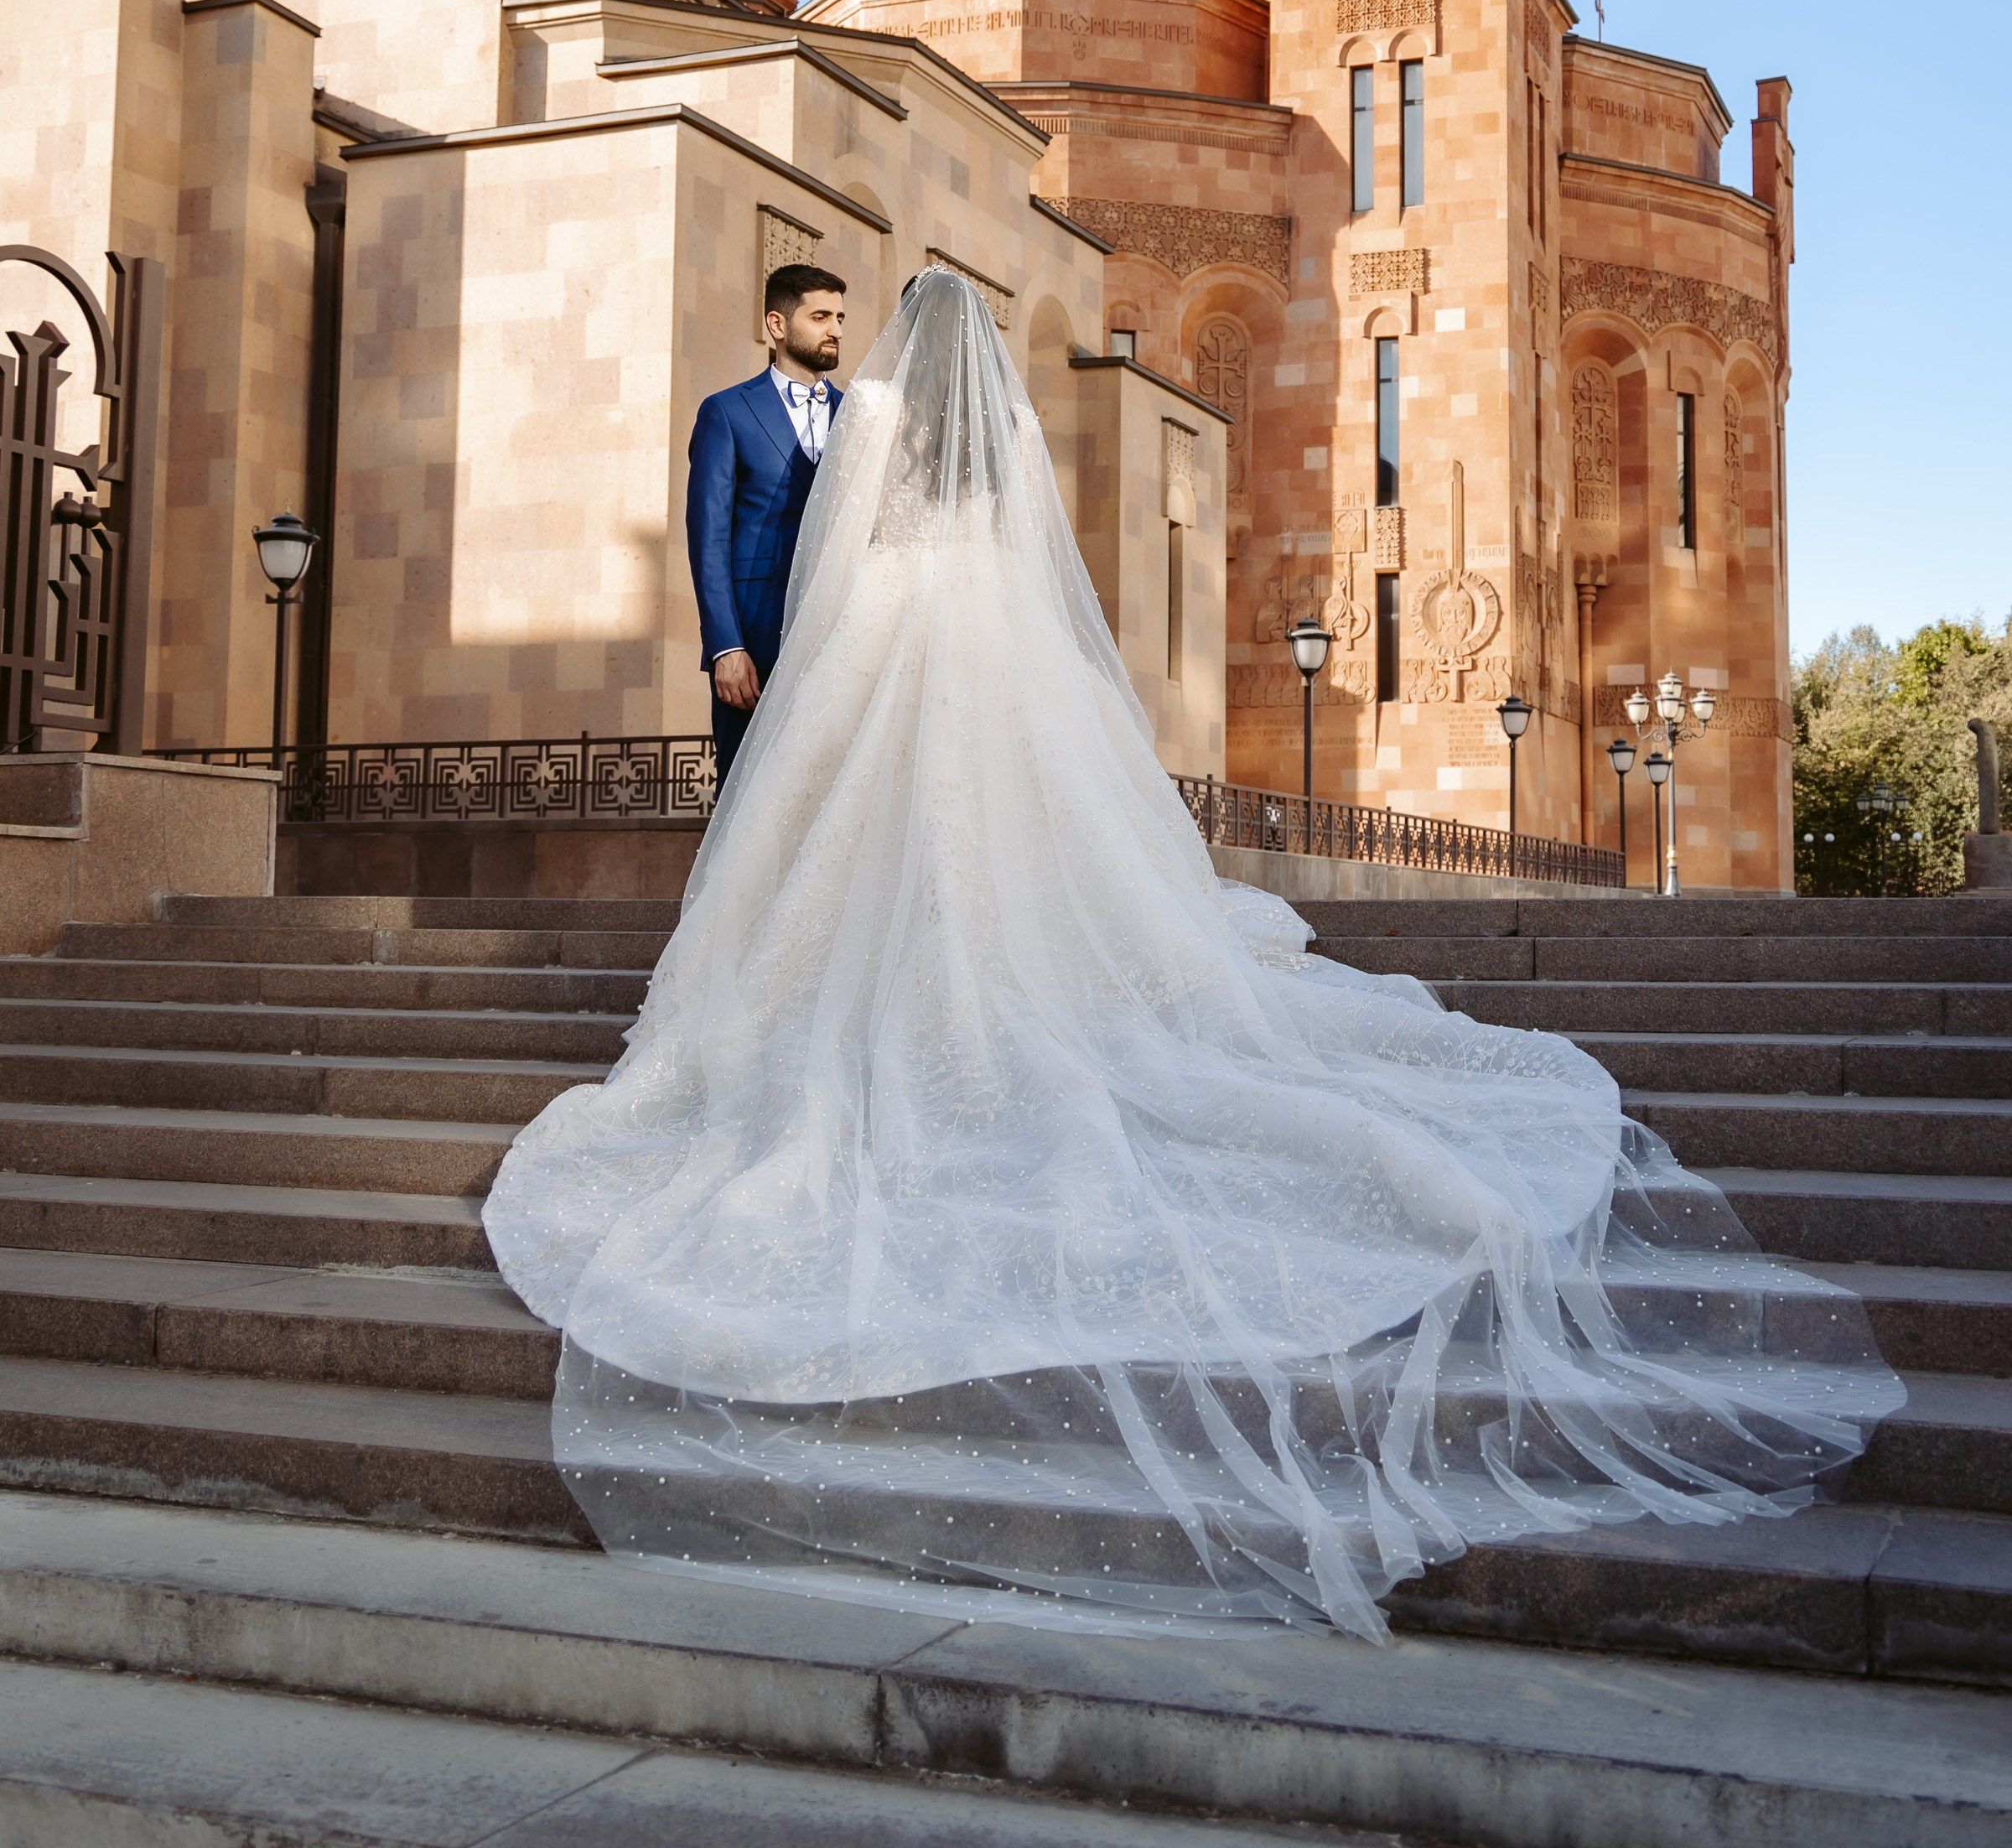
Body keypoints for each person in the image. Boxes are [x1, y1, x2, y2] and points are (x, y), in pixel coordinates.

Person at [485, 267, 1899, 1641]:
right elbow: (1030, 565)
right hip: (991, 648)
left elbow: (837, 560)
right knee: (1011, 836)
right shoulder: (1004, 425)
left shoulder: (872, 416)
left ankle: (869, 1007)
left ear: (900, 343)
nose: (845, 332)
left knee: (877, 836)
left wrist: (804, 663)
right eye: (822, 313)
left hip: (891, 636)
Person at [682, 262, 845, 789]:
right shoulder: (726, 412)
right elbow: (707, 539)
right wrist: (725, 646)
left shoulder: (859, 416)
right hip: (754, 647)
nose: (835, 330)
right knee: (746, 801)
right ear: (778, 325)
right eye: (820, 317)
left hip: (840, 642)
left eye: (840, 317)